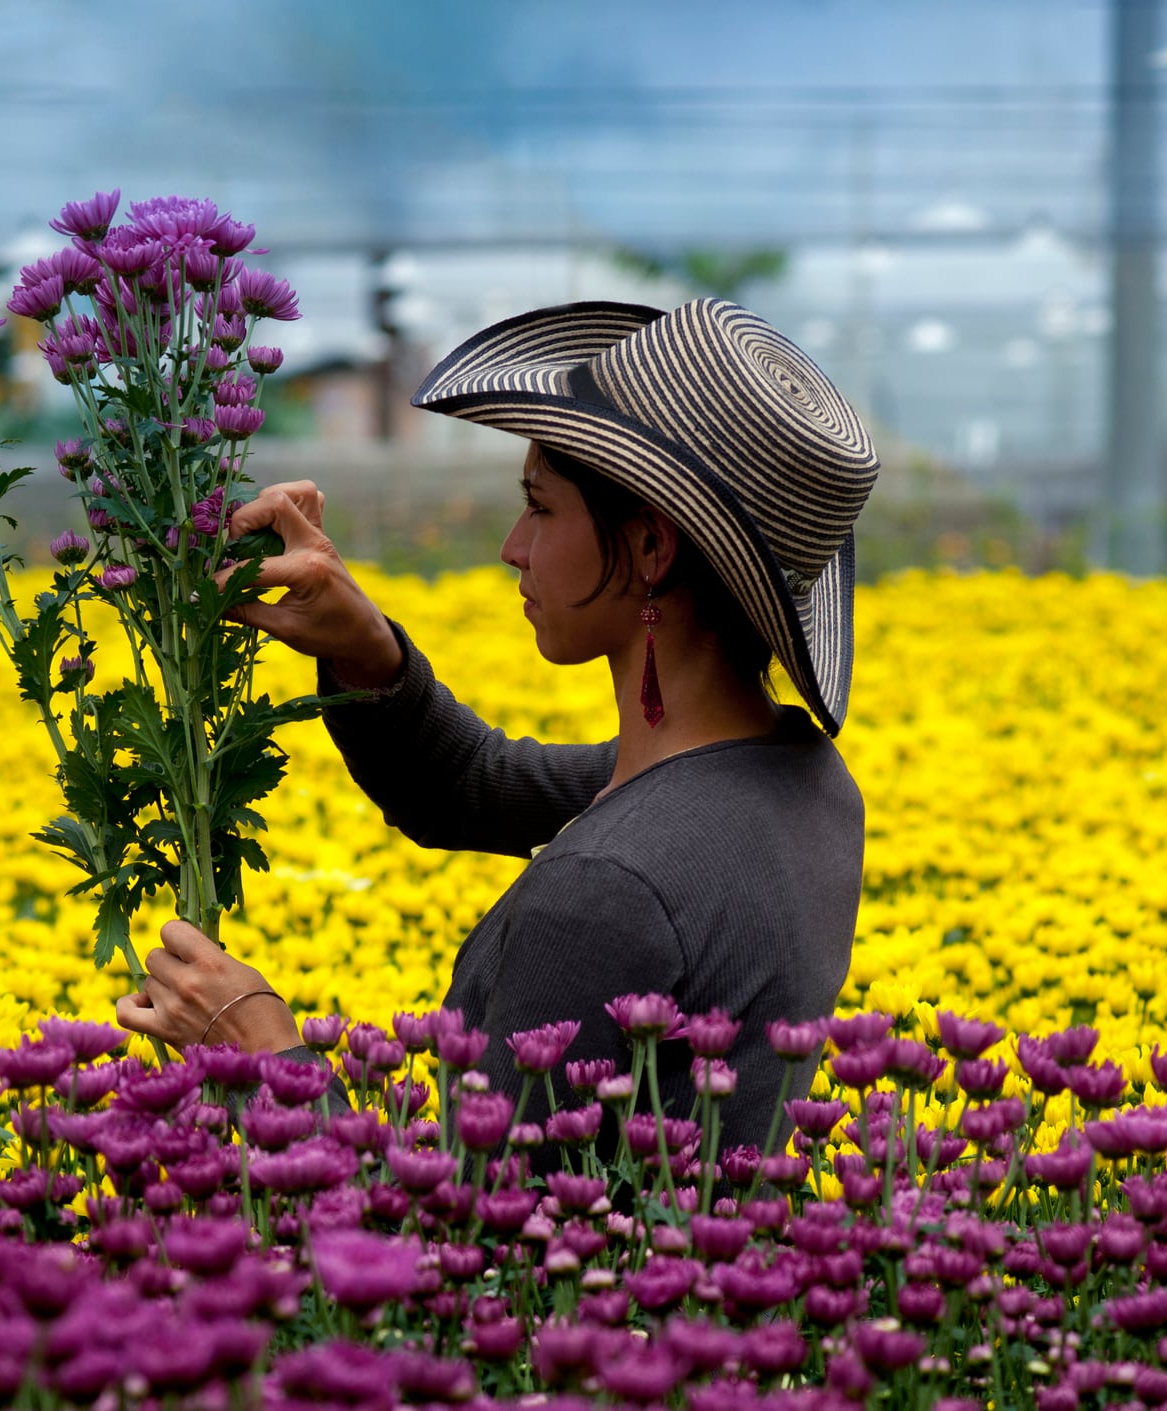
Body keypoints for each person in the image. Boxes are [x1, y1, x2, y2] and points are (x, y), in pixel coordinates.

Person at [113, 297, 878, 1154]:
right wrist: (367, 652)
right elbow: (474, 787)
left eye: (541, 507)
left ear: (651, 548)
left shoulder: (608, 890)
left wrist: (260, 1054)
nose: (513, 545)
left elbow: (463, 1242)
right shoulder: (790, 777)